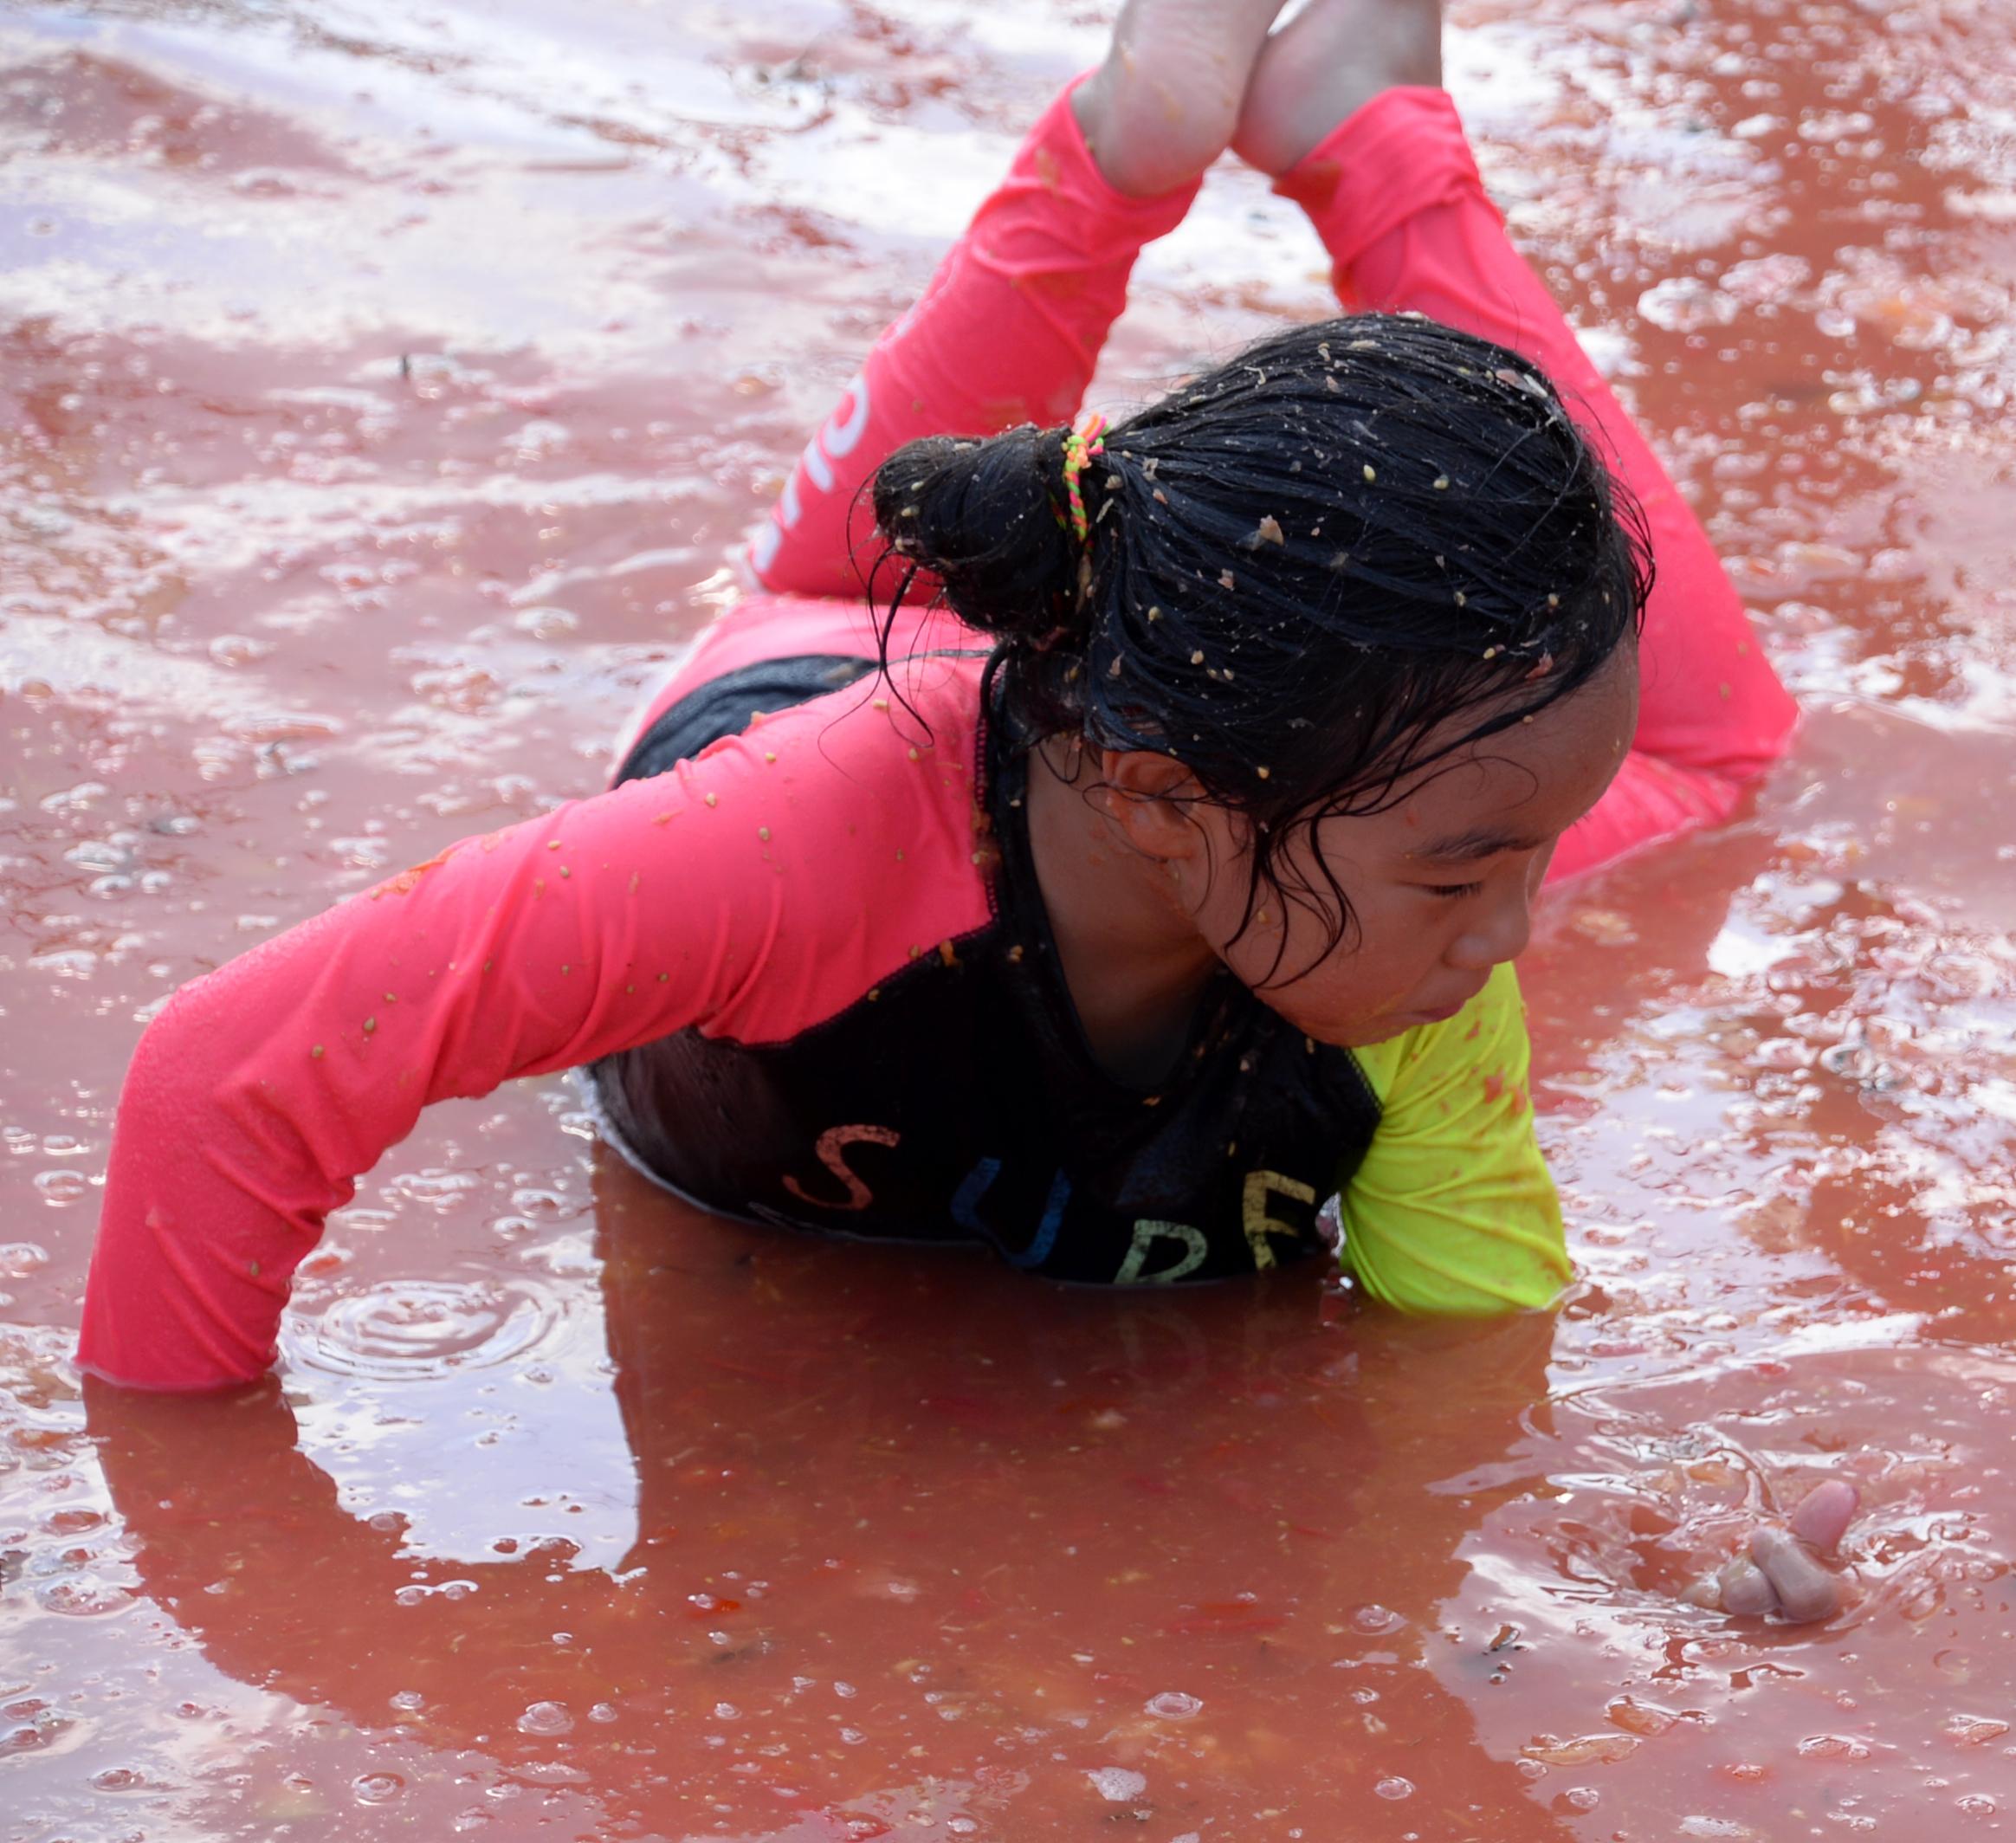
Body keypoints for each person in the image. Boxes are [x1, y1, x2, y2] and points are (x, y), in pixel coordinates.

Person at [76, 0, 1796, 1391]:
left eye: (1517, 860)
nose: (1513, 933)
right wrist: (225, 1599)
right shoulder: (770, 866)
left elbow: (1464, 1370)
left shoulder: (1405, 946)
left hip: (1153, 733)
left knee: (1655, 747)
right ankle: (1218, 146)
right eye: (1467, 870)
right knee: (1709, 753)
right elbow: (225, 1076)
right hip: (817, 693)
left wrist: (1662, 1578)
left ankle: (1220, 130)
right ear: (1179, 812)